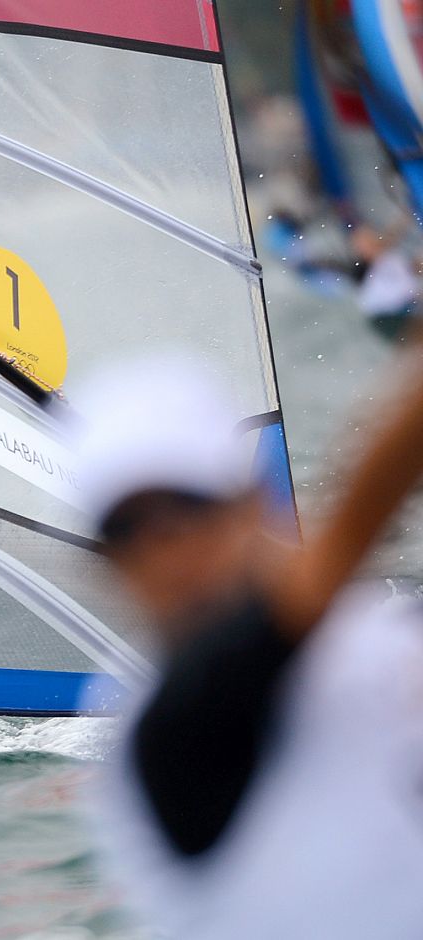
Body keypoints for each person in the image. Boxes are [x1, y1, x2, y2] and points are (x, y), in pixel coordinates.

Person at [70, 343, 423, 937]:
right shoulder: (164, 726)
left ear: (254, 505)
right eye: (125, 531)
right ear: (103, 567)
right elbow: (348, 537)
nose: (166, 552)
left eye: (188, 508)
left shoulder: (383, 635)